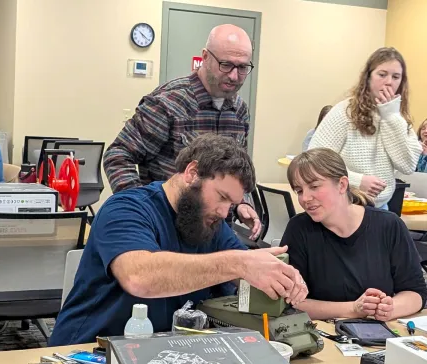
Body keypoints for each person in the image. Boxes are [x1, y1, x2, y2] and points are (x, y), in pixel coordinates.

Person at [50, 134, 308, 346]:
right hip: (88, 351)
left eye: (232, 203)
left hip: (161, 353)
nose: (224, 212)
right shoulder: (126, 209)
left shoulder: (210, 223)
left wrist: (280, 278)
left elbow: (243, 268)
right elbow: (140, 277)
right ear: (192, 173)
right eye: (221, 197)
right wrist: (239, 264)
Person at [102, 24, 261, 239]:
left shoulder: (239, 111)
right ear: (205, 57)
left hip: (216, 230)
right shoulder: (169, 103)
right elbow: (118, 156)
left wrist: (242, 203)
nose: (234, 76)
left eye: (242, 68)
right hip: (168, 229)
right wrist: (140, 208)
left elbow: (236, 171)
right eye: (226, 65)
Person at [280, 148, 426, 322]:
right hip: (323, 335)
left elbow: (415, 292)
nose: (305, 198)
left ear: (342, 185)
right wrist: (354, 309)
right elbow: (291, 302)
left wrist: (389, 308)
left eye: (314, 186)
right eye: (299, 191)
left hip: (375, 332)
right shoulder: (299, 229)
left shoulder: (388, 225)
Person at [308, 47, 421, 210]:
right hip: (344, 204)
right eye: (382, 75)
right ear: (368, 77)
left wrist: (390, 116)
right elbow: (315, 160)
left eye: (396, 77)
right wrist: (356, 180)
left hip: (380, 207)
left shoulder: (399, 118)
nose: (389, 82)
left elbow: (408, 165)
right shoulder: (346, 111)